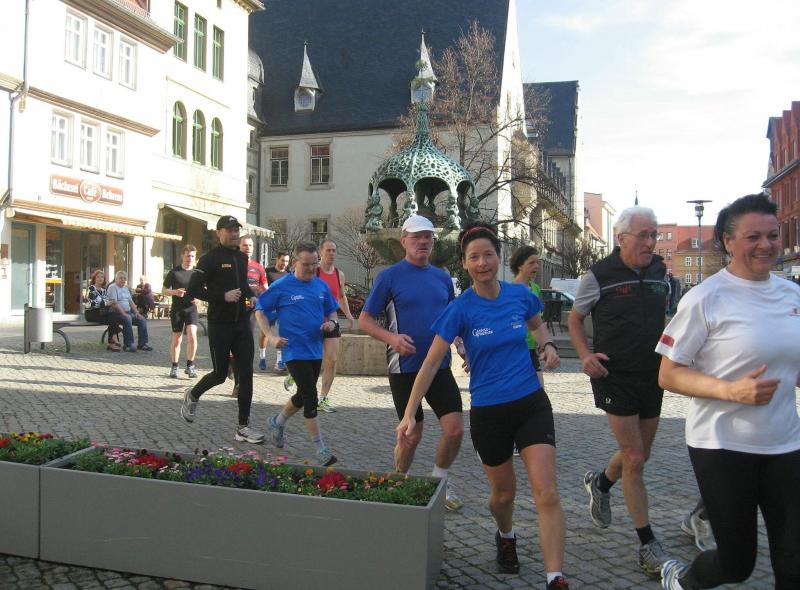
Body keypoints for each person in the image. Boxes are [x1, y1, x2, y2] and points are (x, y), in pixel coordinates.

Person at [397, 222, 569, 590]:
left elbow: (538, 326)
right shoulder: (460, 309)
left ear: (498, 257)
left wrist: (548, 346)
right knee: (503, 495)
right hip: (490, 411)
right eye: (473, 257)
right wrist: (410, 412)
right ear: (465, 263)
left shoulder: (519, 295)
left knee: (546, 491)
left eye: (488, 255)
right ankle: (506, 534)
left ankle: (555, 577)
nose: (482, 263)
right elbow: (431, 363)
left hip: (530, 403)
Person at [656, 193, 800, 590]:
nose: (766, 245)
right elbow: (669, 375)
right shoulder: (706, 298)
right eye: (753, 237)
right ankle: (681, 581)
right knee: (737, 564)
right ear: (728, 241)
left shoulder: (792, 295)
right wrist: (731, 390)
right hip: (723, 445)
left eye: (772, 235)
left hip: (786, 443)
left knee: (794, 562)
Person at [567, 206, 671, 577]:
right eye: (643, 235)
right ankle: (647, 544)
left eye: (653, 234)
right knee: (635, 457)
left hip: (653, 374)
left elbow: (666, 319)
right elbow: (575, 319)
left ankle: (601, 483)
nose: (650, 242)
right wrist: (585, 355)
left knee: (640, 454)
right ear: (621, 237)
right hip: (614, 374)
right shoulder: (599, 275)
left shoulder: (660, 271)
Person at [360, 214, 465, 511]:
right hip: (404, 366)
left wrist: (460, 344)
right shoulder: (389, 277)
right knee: (411, 434)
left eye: (428, 237)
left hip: (439, 366)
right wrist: (391, 339)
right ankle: (400, 479)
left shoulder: (442, 277)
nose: (423, 242)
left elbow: (452, 319)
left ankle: (439, 480)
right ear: (403, 241)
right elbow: (365, 320)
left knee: (455, 429)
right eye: (416, 237)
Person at [181, 215, 264, 445]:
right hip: (220, 324)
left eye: (237, 230)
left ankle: (243, 427)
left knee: (246, 375)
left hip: (242, 323)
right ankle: (193, 394)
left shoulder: (242, 257)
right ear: (219, 233)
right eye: (230, 230)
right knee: (220, 375)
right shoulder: (209, 259)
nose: (235, 234)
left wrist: (251, 296)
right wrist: (222, 296)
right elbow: (194, 290)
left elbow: (243, 286)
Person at [255, 242, 340, 466]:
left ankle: (278, 421)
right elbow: (260, 311)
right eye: (306, 264)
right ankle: (321, 449)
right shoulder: (282, 286)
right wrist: (271, 337)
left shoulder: (320, 286)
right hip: (293, 350)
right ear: (295, 263)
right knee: (311, 397)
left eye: (314, 264)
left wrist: (331, 323)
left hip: (315, 349)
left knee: (302, 395)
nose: (311, 268)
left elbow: (332, 311)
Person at [314, 238, 356, 413]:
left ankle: (323, 398)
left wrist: (349, 315)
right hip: (313, 321)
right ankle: (296, 376)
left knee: (332, 359)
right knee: (310, 359)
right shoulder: (313, 272)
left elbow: (341, 297)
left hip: (332, 322)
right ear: (320, 252)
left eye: (333, 250)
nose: (331, 253)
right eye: (328, 250)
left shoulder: (339, 274)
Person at [229, 235, 268, 396]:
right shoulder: (232, 264)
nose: (248, 248)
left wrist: (263, 295)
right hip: (232, 310)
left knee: (244, 345)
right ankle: (231, 366)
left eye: (250, 245)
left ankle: (239, 384)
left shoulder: (258, 267)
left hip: (250, 311)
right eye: (245, 245)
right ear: (239, 246)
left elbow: (265, 288)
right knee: (231, 346)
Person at [510, 245, 545, 387]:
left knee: (539, 387)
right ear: (520, 265)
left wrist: (542, 341)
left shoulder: (535, 288)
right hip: (518, 346)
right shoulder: (510, 290)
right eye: (531, 263)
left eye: (537, 263)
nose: (536, 266)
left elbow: (538, 318)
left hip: (532, 345)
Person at [163, 245, 199, 379]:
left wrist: (199, 299)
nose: (190, 258)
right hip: (177, 309)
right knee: (177, 339)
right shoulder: (174, 272)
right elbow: (163, 290)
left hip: (191, 308)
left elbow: (204, 290)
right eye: (188, 256)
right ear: (182, 256)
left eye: (192, 256)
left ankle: (190, 366)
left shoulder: (197, 273)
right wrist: (175, 292)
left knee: (192, 335)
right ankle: (174, 366)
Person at [107, 271, 152, 353]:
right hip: (116, 313)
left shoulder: (125, 288)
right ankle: (128, 344)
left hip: (128, 312)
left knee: (142, 320)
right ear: (116, 279)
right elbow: (114, 304)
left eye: (124, 278)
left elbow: (131, 302)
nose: (123, 280)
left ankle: (142, 344)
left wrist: (137, 313)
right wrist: (124, 314)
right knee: (128, 319)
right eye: (120, 278)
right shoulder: (112, 287)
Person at [84, 269, 122, 352]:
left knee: (113, 317)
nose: (100, 278)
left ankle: (112, 342)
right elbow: (93, 303)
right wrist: (107, 303)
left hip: (101, 313)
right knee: (113, 320)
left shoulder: (104, 290)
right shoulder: (91, 288)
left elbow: (105, 301)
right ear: (94, 279)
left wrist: (111, 302)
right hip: (91, 313)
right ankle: (113, 340)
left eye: (102, 277)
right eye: (98, 277)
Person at [266, 251, 291, 372]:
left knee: (282, 332)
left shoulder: (289, 274)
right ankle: (262, 356)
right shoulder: (268, 272)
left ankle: (280, 361)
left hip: (283, 308)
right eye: (282, 260)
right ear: (277, 259)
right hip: (270, 307)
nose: (284, 263)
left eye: (286, 261)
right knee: (265, 333)